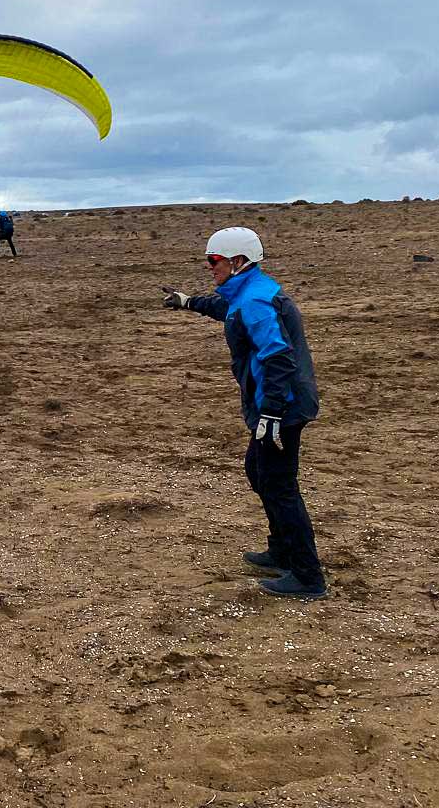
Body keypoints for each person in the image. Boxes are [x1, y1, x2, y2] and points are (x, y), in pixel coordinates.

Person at [162, 227, 326, 599]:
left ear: (237, 261)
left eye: (214, 260)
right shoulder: (250, 291)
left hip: (282, 405)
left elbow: (278, 358)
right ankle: (282, 551)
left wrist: (271, 414)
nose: (209, 267)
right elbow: (229, 311)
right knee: (259, 472)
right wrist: (189, 302)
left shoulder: (255, 300)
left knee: (279, 485)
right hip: (277, 403)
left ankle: (307, 576)